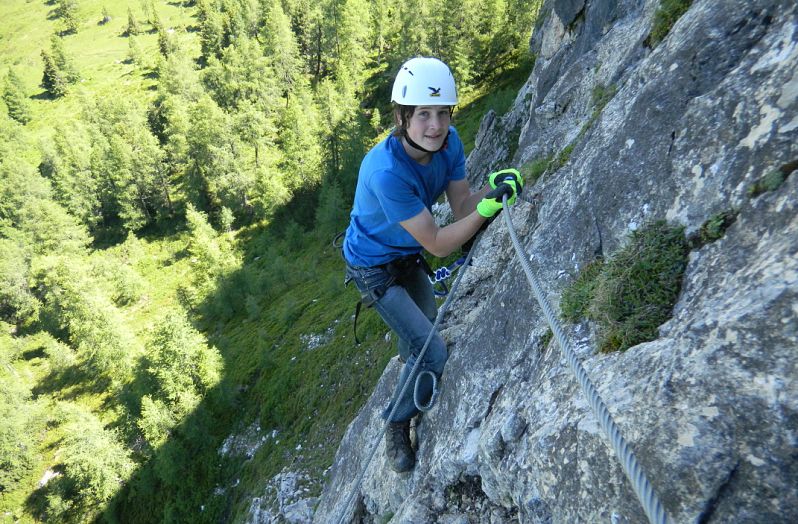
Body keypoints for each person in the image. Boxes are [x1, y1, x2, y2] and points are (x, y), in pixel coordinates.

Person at [342, 57, 523, 473]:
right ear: (402, 117)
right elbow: (442, 244)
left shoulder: (450, 144)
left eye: (442, 113)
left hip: (406, 254)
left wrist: (493, 190)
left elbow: (462, 206)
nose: (436, 125)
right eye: (423, 114)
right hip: (374, 268)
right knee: (432, 350)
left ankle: (409, 374)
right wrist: (486, 210)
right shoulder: (386, 172)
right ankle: (396, 421)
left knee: (418, 336)